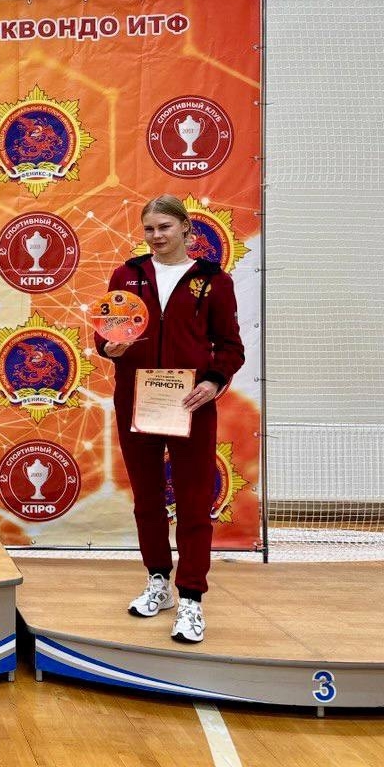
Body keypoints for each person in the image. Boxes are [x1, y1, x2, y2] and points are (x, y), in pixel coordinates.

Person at [98, 194, 244, 644]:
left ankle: (192, 598)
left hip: (190, 403)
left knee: (194, 501)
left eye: (164, 227)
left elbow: (231, 347)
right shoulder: (127, 275)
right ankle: (157, 580)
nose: (156, 236)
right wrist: (110, 349)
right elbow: (106, 335)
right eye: (149, 228)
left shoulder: (213, 280)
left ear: (186, 229)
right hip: (138, 400)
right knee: (147, 498)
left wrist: (214, 381)